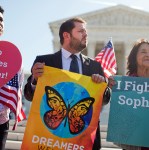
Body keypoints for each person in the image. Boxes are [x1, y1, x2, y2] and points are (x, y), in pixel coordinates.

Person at [24, 17, 113, 150]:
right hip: (50, 135)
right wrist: (35, 81)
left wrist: (103, 86)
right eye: (81, 31)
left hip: (84, 136)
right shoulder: (44, 62)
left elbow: (105, 100)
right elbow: (29, 95)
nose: (86, 34)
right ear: (66, 35)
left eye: (86, 31)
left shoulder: (95, 66)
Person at [116, 38, 149, 150]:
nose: (148, 55)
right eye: (143, 52)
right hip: (133, 145)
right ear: (134, 57)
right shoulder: (125, 85)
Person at [0, 6, 24, 150]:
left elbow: (18, 85)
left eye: (1, 20)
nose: (0, 22)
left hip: (1, 121)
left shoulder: (12, 54)